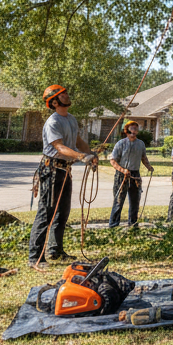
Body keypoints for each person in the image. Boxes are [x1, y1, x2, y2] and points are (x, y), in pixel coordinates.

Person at [30, 84, 98, 268]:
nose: (67, 96)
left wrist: (90, 153)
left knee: (62, 212)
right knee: (46, 212)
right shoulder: (53, 122)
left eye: (66, 93)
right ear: (54, 101)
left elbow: (78, 141)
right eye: (63, 95)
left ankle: (55, 250)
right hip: (51, 170)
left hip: (64, 170)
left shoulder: (71, 119)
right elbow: (59, 147)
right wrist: (82, 156)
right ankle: (35, 257)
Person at [108, 119, 154, 229]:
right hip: (122, 175)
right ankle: (113, 226)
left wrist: (149, 166)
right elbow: (113, 160)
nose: (134, 130)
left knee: (135, 201)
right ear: (126, 130)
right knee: (118, 201)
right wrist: (122, 169)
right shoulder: (121, 143)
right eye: (132, 128)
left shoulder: (140, 144)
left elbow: (143, 157)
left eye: (136, 129)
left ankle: (133, 225)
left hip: (135, 174)